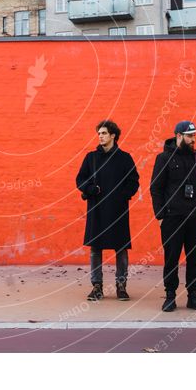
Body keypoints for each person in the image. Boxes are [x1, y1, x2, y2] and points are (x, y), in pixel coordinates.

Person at [149, 120, 196, 312]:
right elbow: (156, 188)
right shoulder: (163, 159)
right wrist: (161, 215)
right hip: (173, 219)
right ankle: (170, 296)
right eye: (189, 135)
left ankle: (193, 297)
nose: (193, 139)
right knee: (172, 258)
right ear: (179, 136)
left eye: (194, 135)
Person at [76, 120, 140, 301]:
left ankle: (121, 286)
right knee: (96, 249)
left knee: (121, 248)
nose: (100, 136)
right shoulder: (91, 158)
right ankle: (97, 287)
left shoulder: (125, 158)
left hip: (118, 210)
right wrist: (89, 189)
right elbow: (80, 179)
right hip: (96, 209)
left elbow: (134, 181)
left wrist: (123, 196)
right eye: (99, 134)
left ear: (113, 136)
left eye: (104, 133)